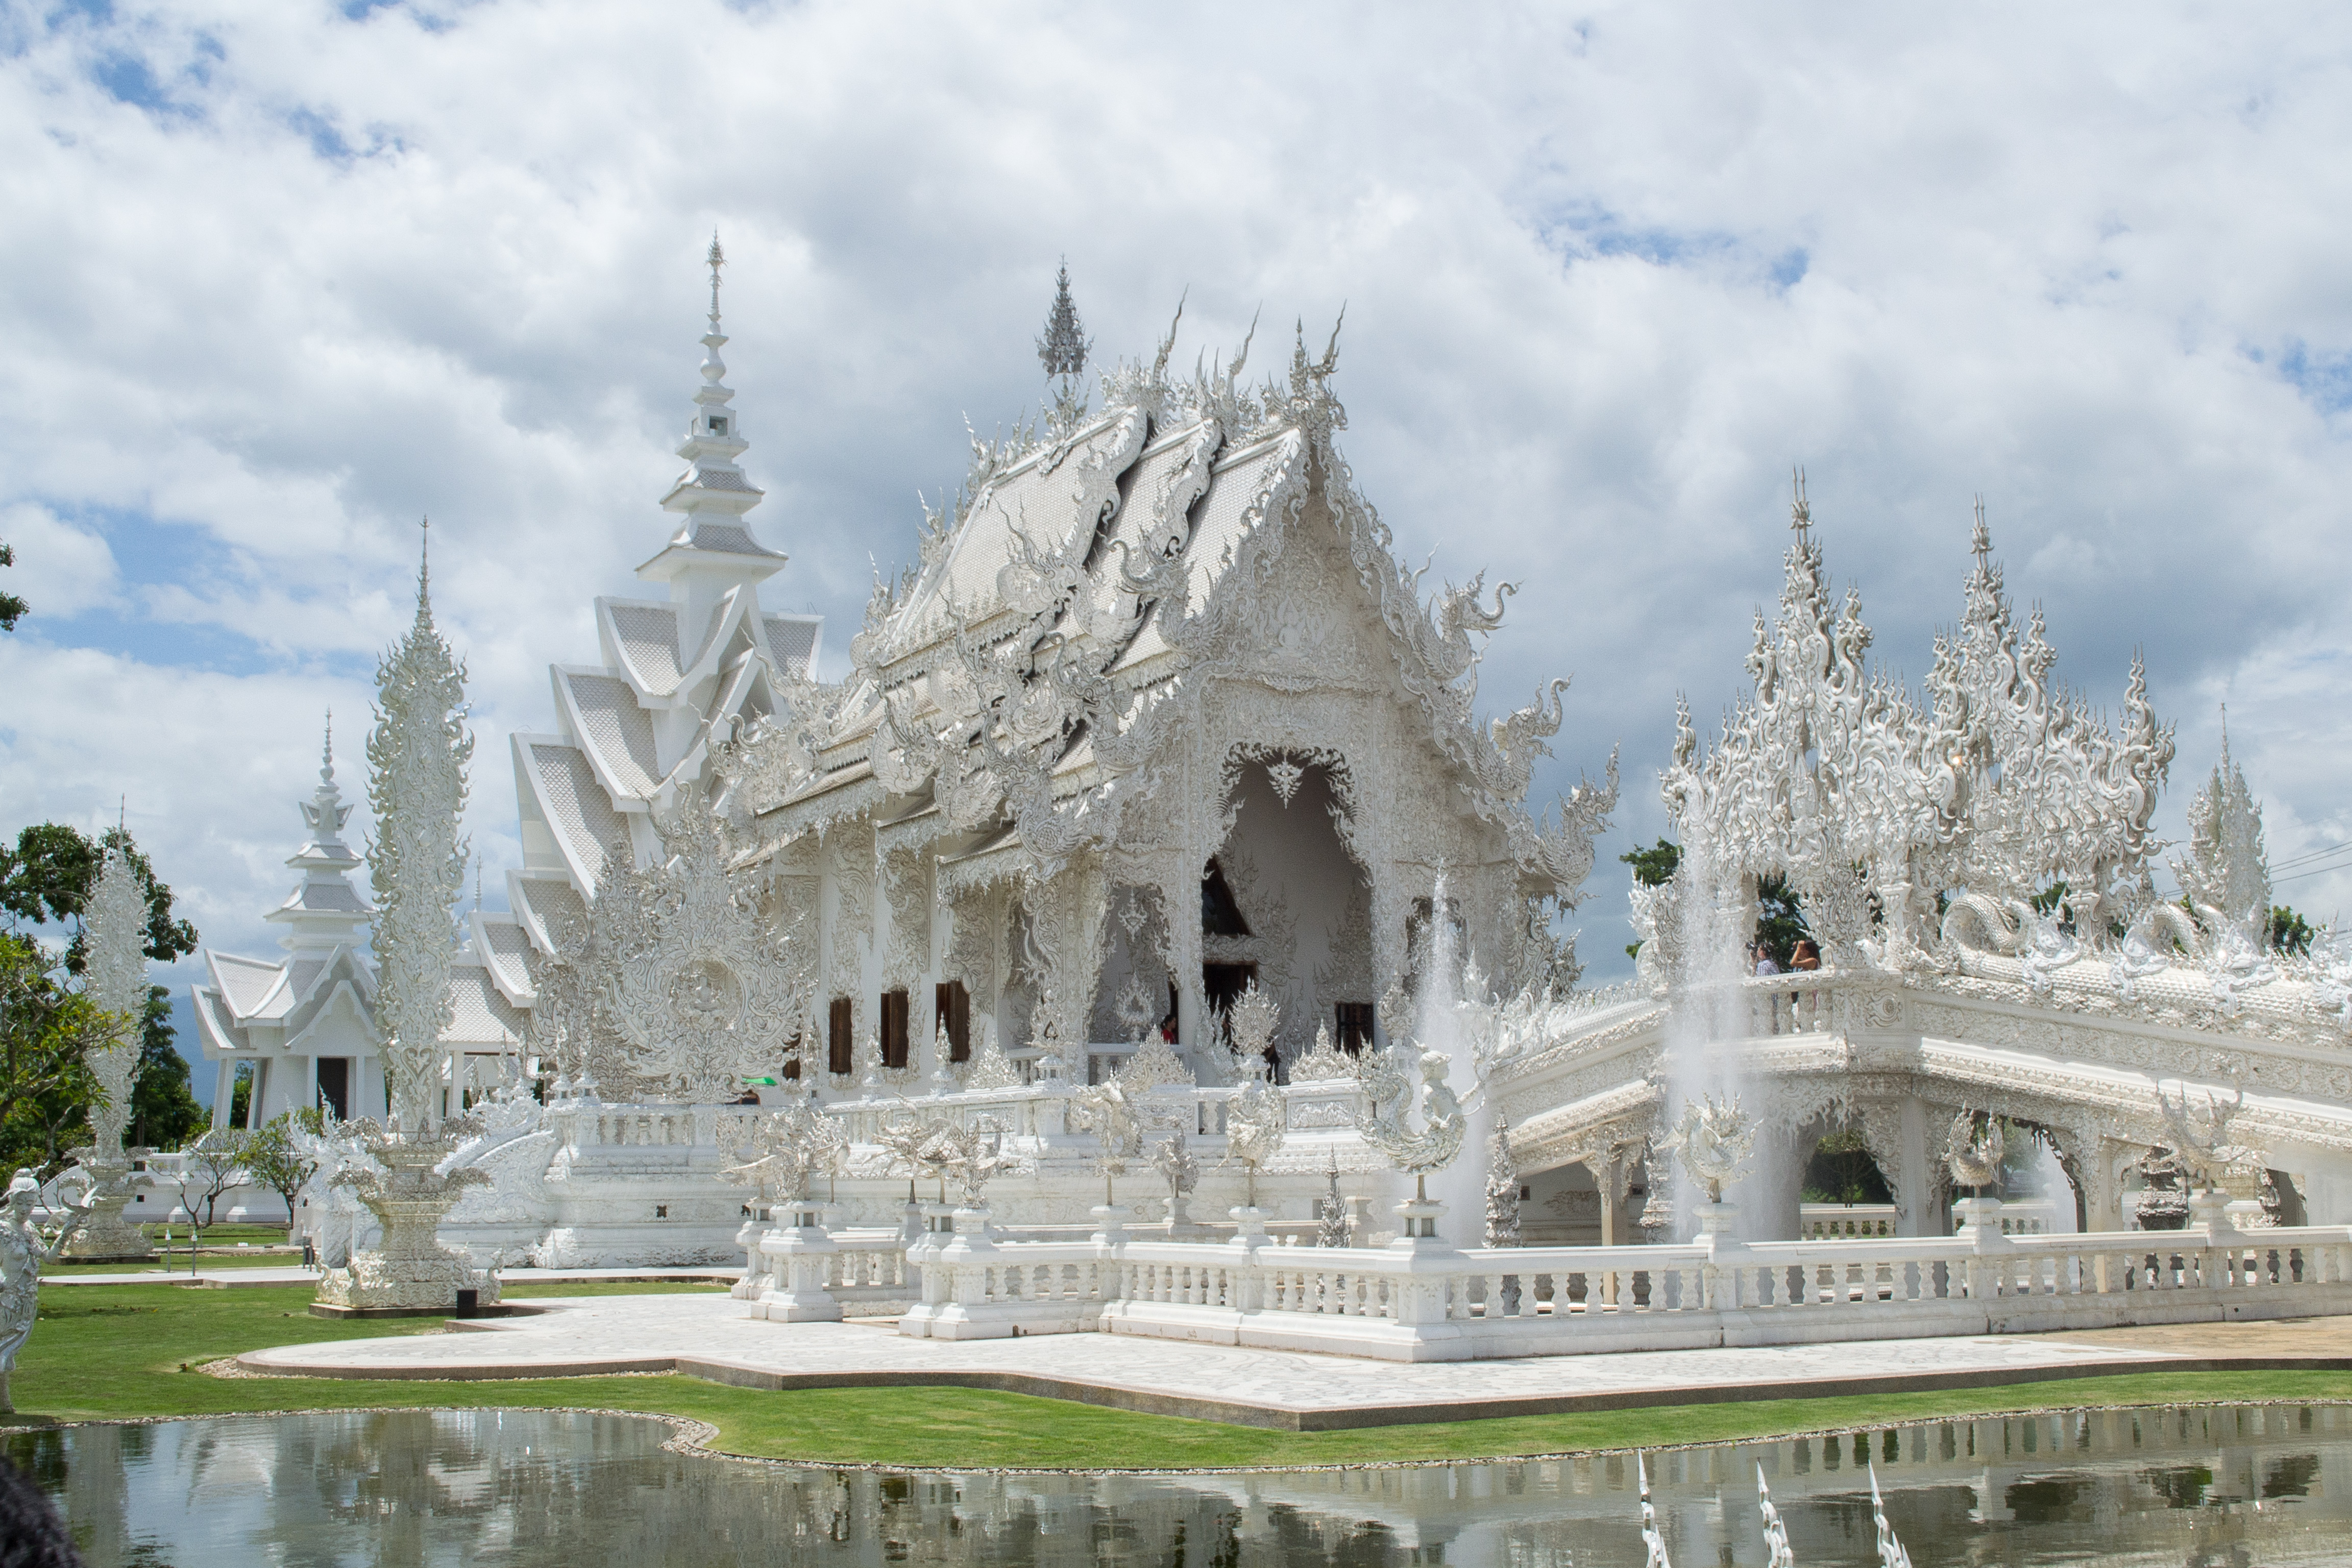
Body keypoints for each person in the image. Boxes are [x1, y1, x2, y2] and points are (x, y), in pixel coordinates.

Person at [1788, 937, 1822, 1028]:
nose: (1800, 952)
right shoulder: (1806, 965)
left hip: (1812, 997)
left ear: (1808, 951)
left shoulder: (1813, 961)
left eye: (1803, 950)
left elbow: (1793, 963)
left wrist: (1799, 947)